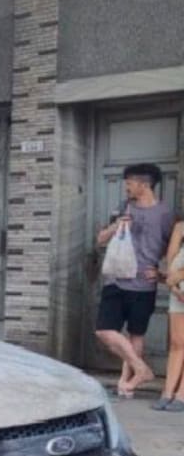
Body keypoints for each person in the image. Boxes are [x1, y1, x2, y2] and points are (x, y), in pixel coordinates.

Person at [94, 163, 177, 397]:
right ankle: (141, 369)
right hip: (116, 280)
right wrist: (117, 225)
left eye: (129, 183)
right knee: (104, 330)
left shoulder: (165, 214)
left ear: (144, 184)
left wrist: (160, 272)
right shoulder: (123, 207)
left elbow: (173, 248)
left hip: (143, 284)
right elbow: (100, 240)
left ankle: (125, 384)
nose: (126, 188)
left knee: (136, 334)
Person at [154, 219, 184, 411]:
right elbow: (171, 257)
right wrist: (173, 284)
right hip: (178, 290)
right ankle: (167, 391)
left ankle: (182, 394)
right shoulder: (180, 227)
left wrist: (180, 274)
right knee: (176, 342)